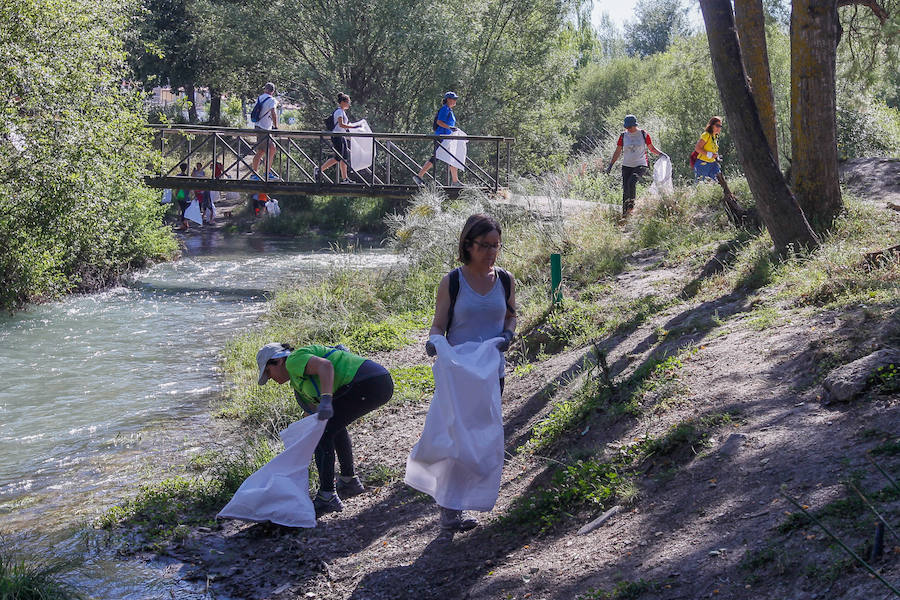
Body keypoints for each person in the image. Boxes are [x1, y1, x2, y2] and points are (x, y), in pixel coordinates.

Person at [424, 213, 516, 532]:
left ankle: (470, 497)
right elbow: (439, 323)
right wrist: (434, 342)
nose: (491, 252)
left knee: (481, 437)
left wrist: (508, 334)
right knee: (457, 439)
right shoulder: (452, 281)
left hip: (492, 372)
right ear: (468, 245)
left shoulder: (504, 280)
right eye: (485, 245)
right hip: (459, 374)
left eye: (496, 245)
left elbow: (510, 317)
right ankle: (450, 508)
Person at [256, 342, 394, 516]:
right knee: (331, 428)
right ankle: (348, 481)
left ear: (277, 361)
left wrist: (327, 399)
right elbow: (312, 417)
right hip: (377, 382)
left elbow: (325, 366)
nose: (270, 379)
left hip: (370, 382)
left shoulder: (293, 360)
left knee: (324, 432)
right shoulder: (299, 383)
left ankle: (327, 496)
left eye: (268, 372)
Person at [605, 114, 664, 216]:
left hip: (640, 164)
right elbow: (618, 151)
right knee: (625, 189)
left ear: (635, 125)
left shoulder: (643, 134)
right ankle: (624, 214)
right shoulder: (623, 136)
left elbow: (651, 148)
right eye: (626, 127)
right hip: (626, 165)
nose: (628, 129)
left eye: (630, 127)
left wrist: (662, 154)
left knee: (631, 183)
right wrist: (611, 164)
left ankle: (631, 207)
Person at [414, 92, 462, 188]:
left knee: (452, 158)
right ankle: (418, 176)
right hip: (442, 138)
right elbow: (439, 122)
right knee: (435, 158)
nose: (455, 100)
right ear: (448, 99)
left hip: (447, 138)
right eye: (453, 99)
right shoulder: (445, 109)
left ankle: (455, 181)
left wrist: (451, 129)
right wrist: (450, 127)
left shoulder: (449, 110)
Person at [314, 93, 361, 185]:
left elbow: (344, 125)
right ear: (343, 102)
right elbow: (341, 124)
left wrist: (353, 127)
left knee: (344, 158)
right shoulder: (339, 112)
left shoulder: (342, 112)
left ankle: (345, 179)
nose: (349, 104)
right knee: (338, 158)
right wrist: (354, 127)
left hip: (341, 136)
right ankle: (319, 170)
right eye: (348, 102)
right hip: (337, 136)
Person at [250, 82, 279, 179]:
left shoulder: (260, 98)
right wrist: (276, 126)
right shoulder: (272, 100)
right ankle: (264, 173)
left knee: (262, 150)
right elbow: (273, 113)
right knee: (271, 148)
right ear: (273, 91)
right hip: (264, 129)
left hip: (258, 126)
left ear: (265, 89)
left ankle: (257, 174)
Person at [694, 116, 723, 182]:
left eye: (720, 126)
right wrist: (710, 154)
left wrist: (716, 157)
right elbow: (697, 148)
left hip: (713, 163)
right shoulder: (706, 135)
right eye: (717, 125)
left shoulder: (715, 136)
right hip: (703, 164)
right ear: (712, 125)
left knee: (720, 181)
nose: (719, 128)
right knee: (701, 186)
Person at [174, 162, 191, 230]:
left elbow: (178, 186)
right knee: (184, 209)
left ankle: (184, 224)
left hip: (181, 193)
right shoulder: (187, 176)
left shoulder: (178, 176)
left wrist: (176, 193)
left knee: (183, 209)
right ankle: (185, 223)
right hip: (186, 193)